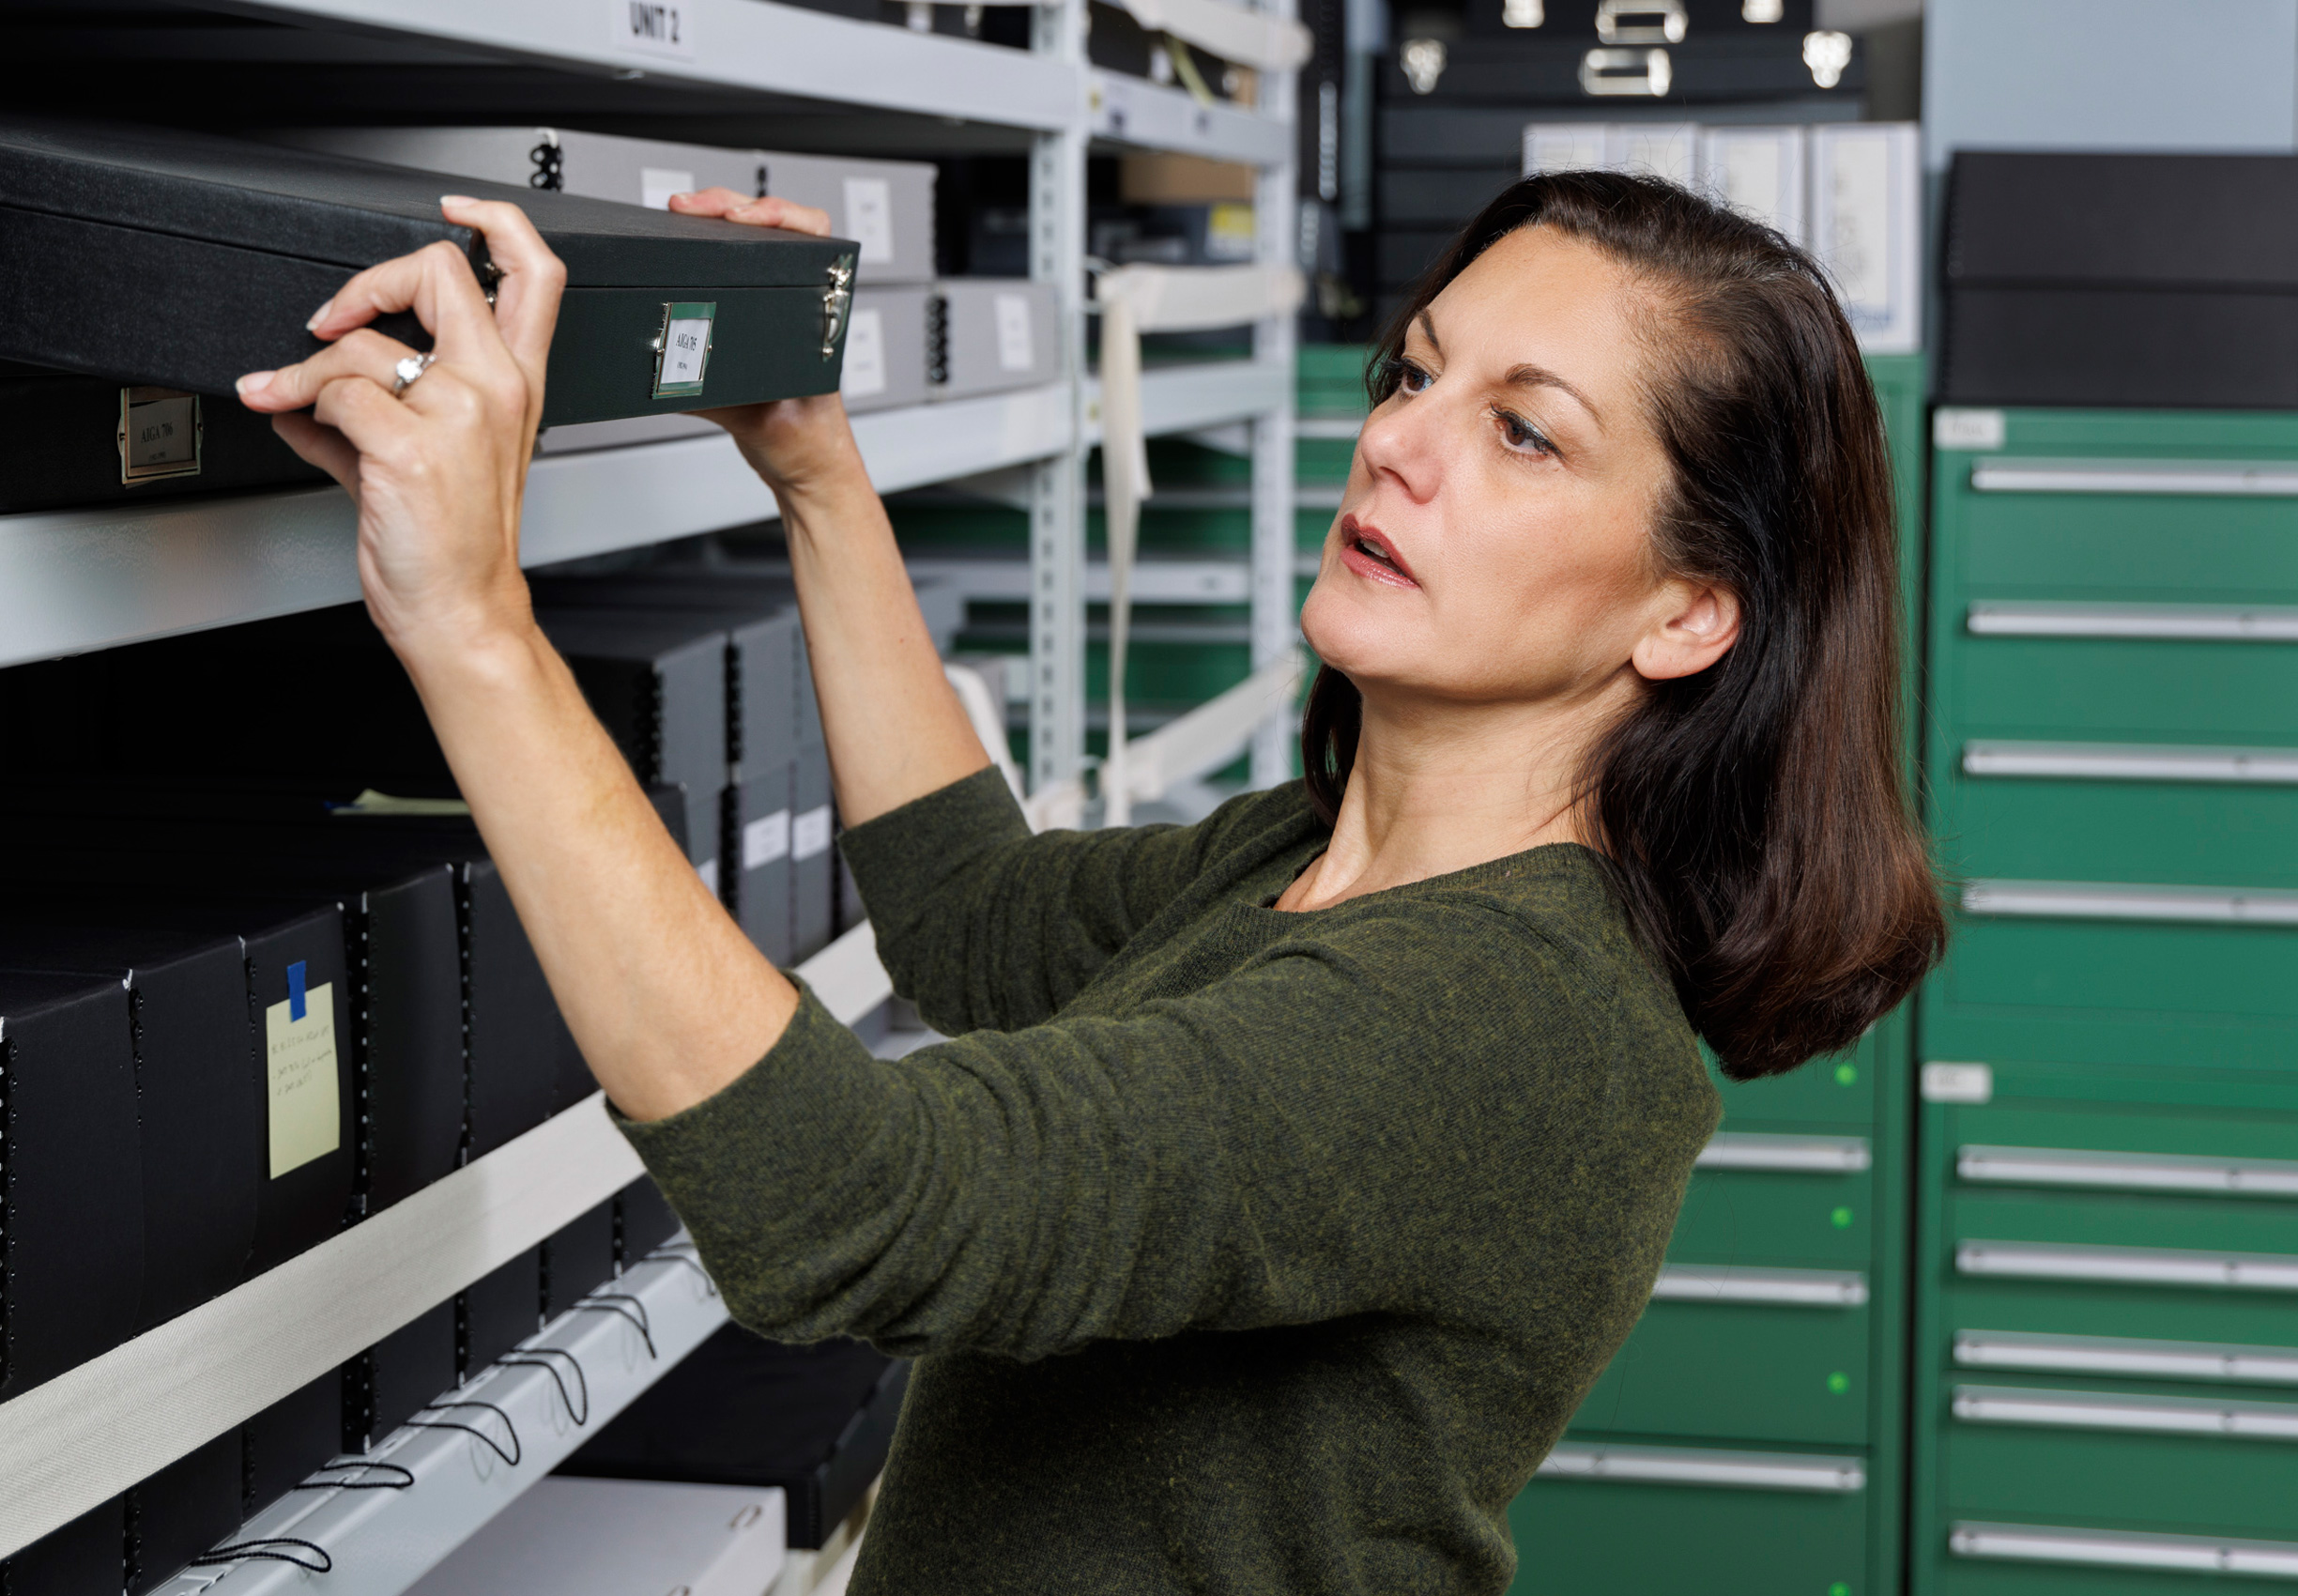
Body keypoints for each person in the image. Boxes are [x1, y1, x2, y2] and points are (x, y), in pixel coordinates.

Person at [234, 169, 1944, 1595]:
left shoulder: (1509, 1018)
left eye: (1527, 437)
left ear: (1689, 612)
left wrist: (472, 624)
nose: (1404, 447)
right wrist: (816, 468)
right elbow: (975, 914)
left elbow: (846, 1213)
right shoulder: (1304, 862)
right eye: (1416, 375)